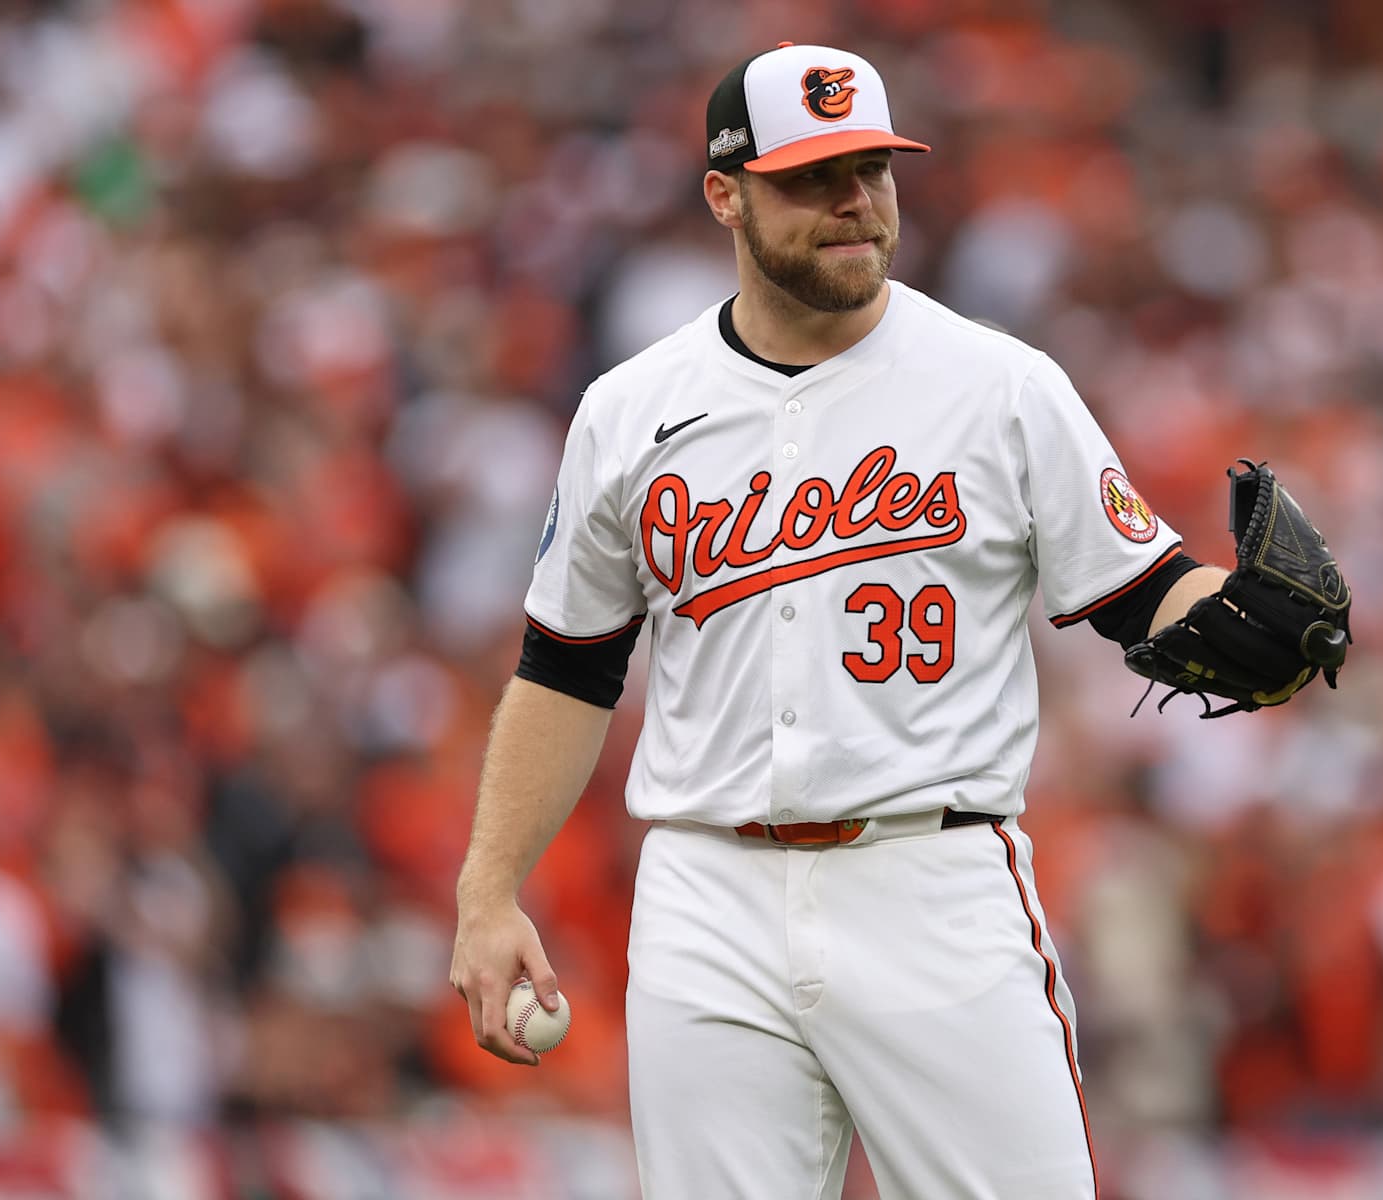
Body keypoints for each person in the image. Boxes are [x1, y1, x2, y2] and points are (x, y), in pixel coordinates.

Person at [449, 41, 1235, 1199]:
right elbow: (566, 669)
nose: (854, 202)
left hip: (931, 879)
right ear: (725, 194)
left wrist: (1253, 624)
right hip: (705, 894)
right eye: (811, 178)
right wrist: (487, 890)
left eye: (872, 169)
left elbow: (1145, 591)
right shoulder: (630, 411)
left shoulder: (1000, 386)